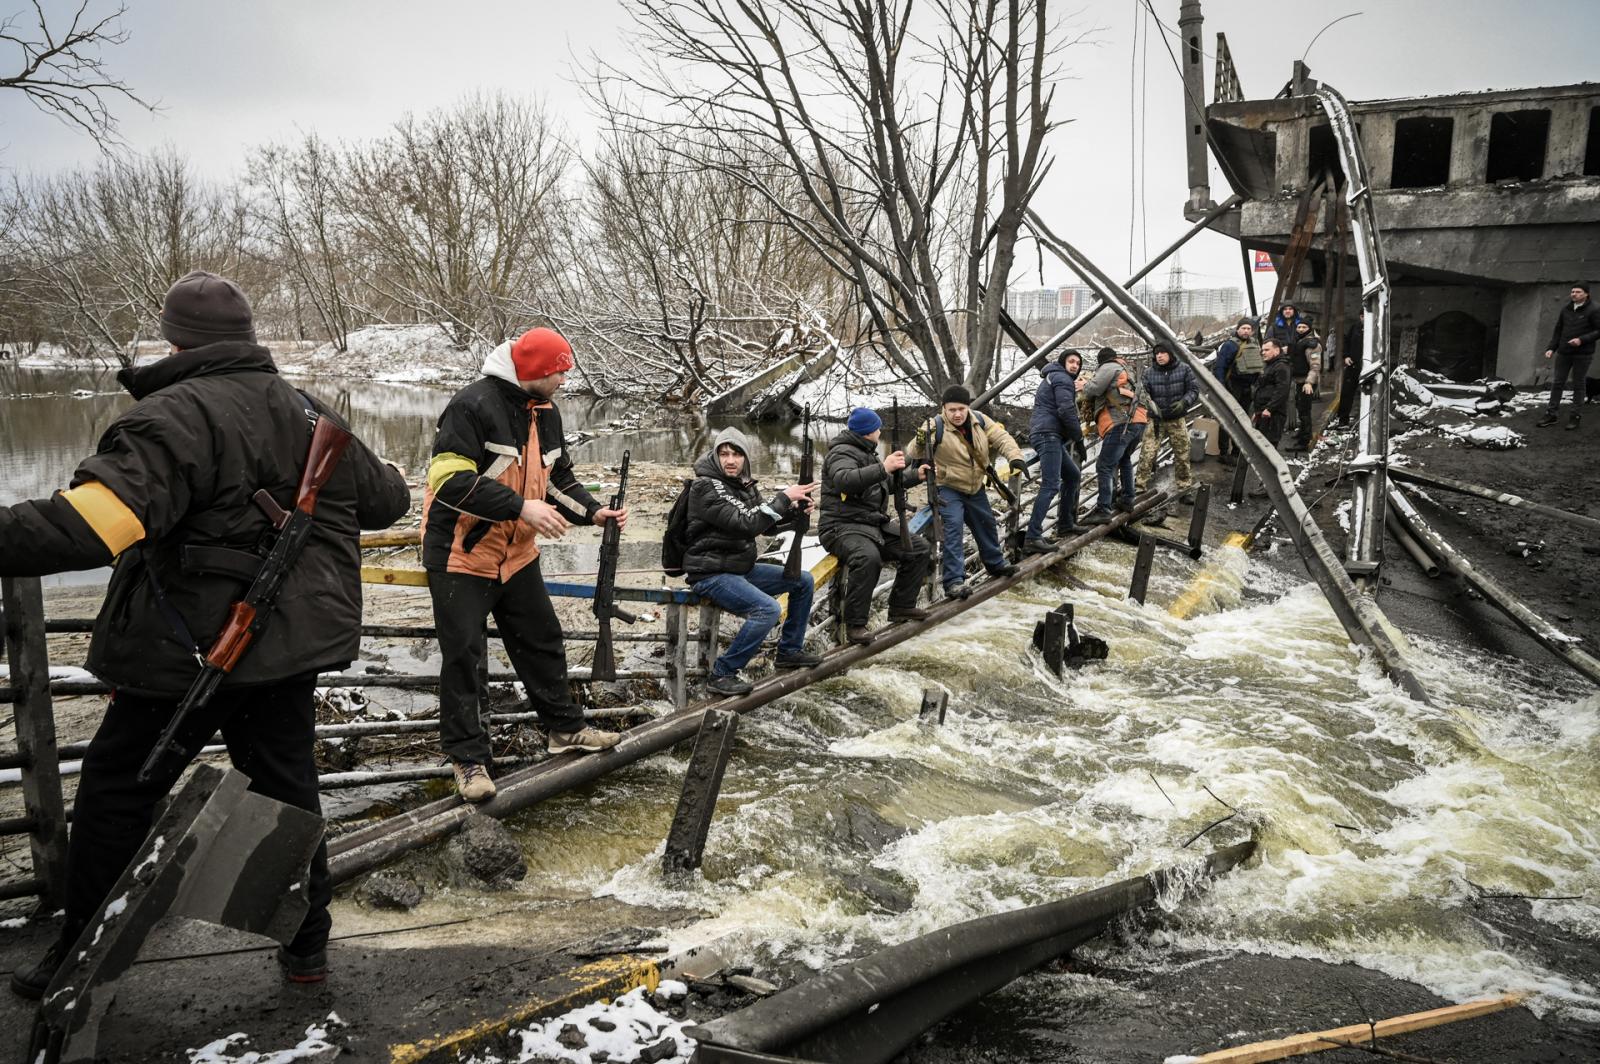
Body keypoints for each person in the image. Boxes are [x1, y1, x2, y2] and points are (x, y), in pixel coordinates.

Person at [1, 271, 410, 996]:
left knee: (116, 793)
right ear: (249, 337)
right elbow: (385, 501)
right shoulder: (309, 409)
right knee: (288, 789)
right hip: (285, 653)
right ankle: (307, 952)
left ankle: (80, 957)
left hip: (188, 652)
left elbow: (95, 525)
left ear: (174, 340)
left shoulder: (172, 415)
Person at [423, 327, 624, 805]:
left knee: (542, 640)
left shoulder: (547, 413)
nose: (563, 380)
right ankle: (468, 760)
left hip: (516, 555)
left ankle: (564, 729)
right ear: (534, 371)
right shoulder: (471, 405)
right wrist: (519, 507)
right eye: (558, 372)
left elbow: (558, 480)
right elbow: (446, 479)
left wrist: (592, 512)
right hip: (461, 555)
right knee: (464, 658)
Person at [685, 428, 822, 696]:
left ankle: (789, 651)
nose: (730, 460)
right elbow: (747, 523)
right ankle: (723, 673)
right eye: (724, 454)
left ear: (745, 457)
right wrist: (783, 498)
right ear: (715, 456)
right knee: (767, 610)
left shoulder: (744, 484)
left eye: (736, 454)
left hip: (738, 568)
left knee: (803, 581)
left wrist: (794, 513)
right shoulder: (706, 486)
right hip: (710, 572)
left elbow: (765, 525)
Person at [819, 408, 931, 645]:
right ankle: (855, 625)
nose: (880, 432)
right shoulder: (841, 453)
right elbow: (845, 481)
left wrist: (915, 476)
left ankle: (901, 607)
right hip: (841, 526)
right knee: (868, 559)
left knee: (918, 548)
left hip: (870, 524)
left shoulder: (865, 451)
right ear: (870, 431)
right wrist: (884, 467)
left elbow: (882, 483)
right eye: (878, 428)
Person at [907, 385, 1024, 598]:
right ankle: (953, 582)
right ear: (944, 408)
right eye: (952, 410)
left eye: (961, 408)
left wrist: (1015, 457)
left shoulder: (979, 420)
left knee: (986, 523)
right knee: (954, 529)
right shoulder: (935, 425)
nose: (957, 414)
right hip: (948, 487)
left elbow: (1002, 438)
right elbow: (913, 451)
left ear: (967, 407)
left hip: (975, 486)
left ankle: (996, 564)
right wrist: (922, 439)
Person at [1024, 348, 1085, 553]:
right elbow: (1066, 410)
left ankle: (1065, 523)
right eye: (1071, 361)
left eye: (1078, 362)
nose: (1075, 365)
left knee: (1073, 475)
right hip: (1047, 434)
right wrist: (1079, 438)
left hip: (1050, 434)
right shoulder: (1061, 378)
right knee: (1050, 485)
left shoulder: (1057, 377)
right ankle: (1032, 537)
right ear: (1063, 362)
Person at [1082, 347, 1150, 524]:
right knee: (1124, 459)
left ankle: (1103, 509)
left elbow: (1093, 390)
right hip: (1138, 421)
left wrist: (1084, 384)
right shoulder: (1126, 369)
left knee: (1104, 466)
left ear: (1101, 360)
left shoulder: (1109, 367)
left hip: (1121, 423)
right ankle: (1128, 499)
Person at [1135, 342, 1199, 503]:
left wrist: (1184, 403)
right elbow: (1143, 393)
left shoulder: (1184, 369)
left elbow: (1194, 390)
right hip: (1156, 421)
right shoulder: (1149, 373)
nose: (1159, 356)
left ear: (1170, 354)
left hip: (1177, 420)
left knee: (1182, 453)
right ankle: (1139, 488)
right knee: (1147, 453)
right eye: (1157, 354)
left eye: (1163, 353)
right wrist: (1150, 404)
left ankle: (1184, 489)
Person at [1536, 283, 1600, 430]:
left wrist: (1581, 340)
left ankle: (1575, 417)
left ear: (1586, 294)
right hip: (1564, 352)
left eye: (1578, 292)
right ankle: (1551, 414)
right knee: (1558, 382)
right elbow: (1558, 330)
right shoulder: (1566, 309)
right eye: (1572, 291)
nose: (1574, 294)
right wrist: (1551, 348)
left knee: (1578, 384)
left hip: (1583, 354)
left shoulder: (1595, 309)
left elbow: (1598, 330)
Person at [1213, 319, 1261, 461]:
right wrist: (1220, 386)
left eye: (1249, 328)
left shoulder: (1254, 344)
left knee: (1243, 420)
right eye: (1243, 328)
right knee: (1227, 420)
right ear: (1238, 329)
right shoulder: (1229, 345)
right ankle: (1223, 452)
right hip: (1232, 386)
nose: (1246, 331)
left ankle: (1236, 451)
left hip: (1247, 388)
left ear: (1252, 331)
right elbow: (1220, 367)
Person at [1286, 319, 1323, 451]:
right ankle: (1302, 433)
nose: (1301, 329)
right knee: (1300, 408)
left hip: (1306, 382)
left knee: (1305, 411)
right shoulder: (1300, 341)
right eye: (1299, 326)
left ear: (1309, 328)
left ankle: (1304, 442)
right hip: (1299, 381)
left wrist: (1308, 383)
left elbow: (1315, 366)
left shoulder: (1312, 345)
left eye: (1304, 327)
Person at [1251, 338, 1292, 450]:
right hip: (1263, 412)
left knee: (1268, 446)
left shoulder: (1281, 367)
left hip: (1273, 415)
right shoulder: (1269, 365)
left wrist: (1269, 409)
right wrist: (1258, 412)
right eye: (1262, 350)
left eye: (1267, 350)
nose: (1263, 353)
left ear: (1277, 350)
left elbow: (1282, 391)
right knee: (1261, 445)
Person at [1335, 318, 1362, 429]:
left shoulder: (1377, 327)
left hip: (1369, 366)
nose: (1363, 318)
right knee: (1347, 393)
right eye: (1362, 316)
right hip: (1353, 365)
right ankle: (1343, 421)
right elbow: (1346, 342)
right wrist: (1346, 356)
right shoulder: (1355, 327)